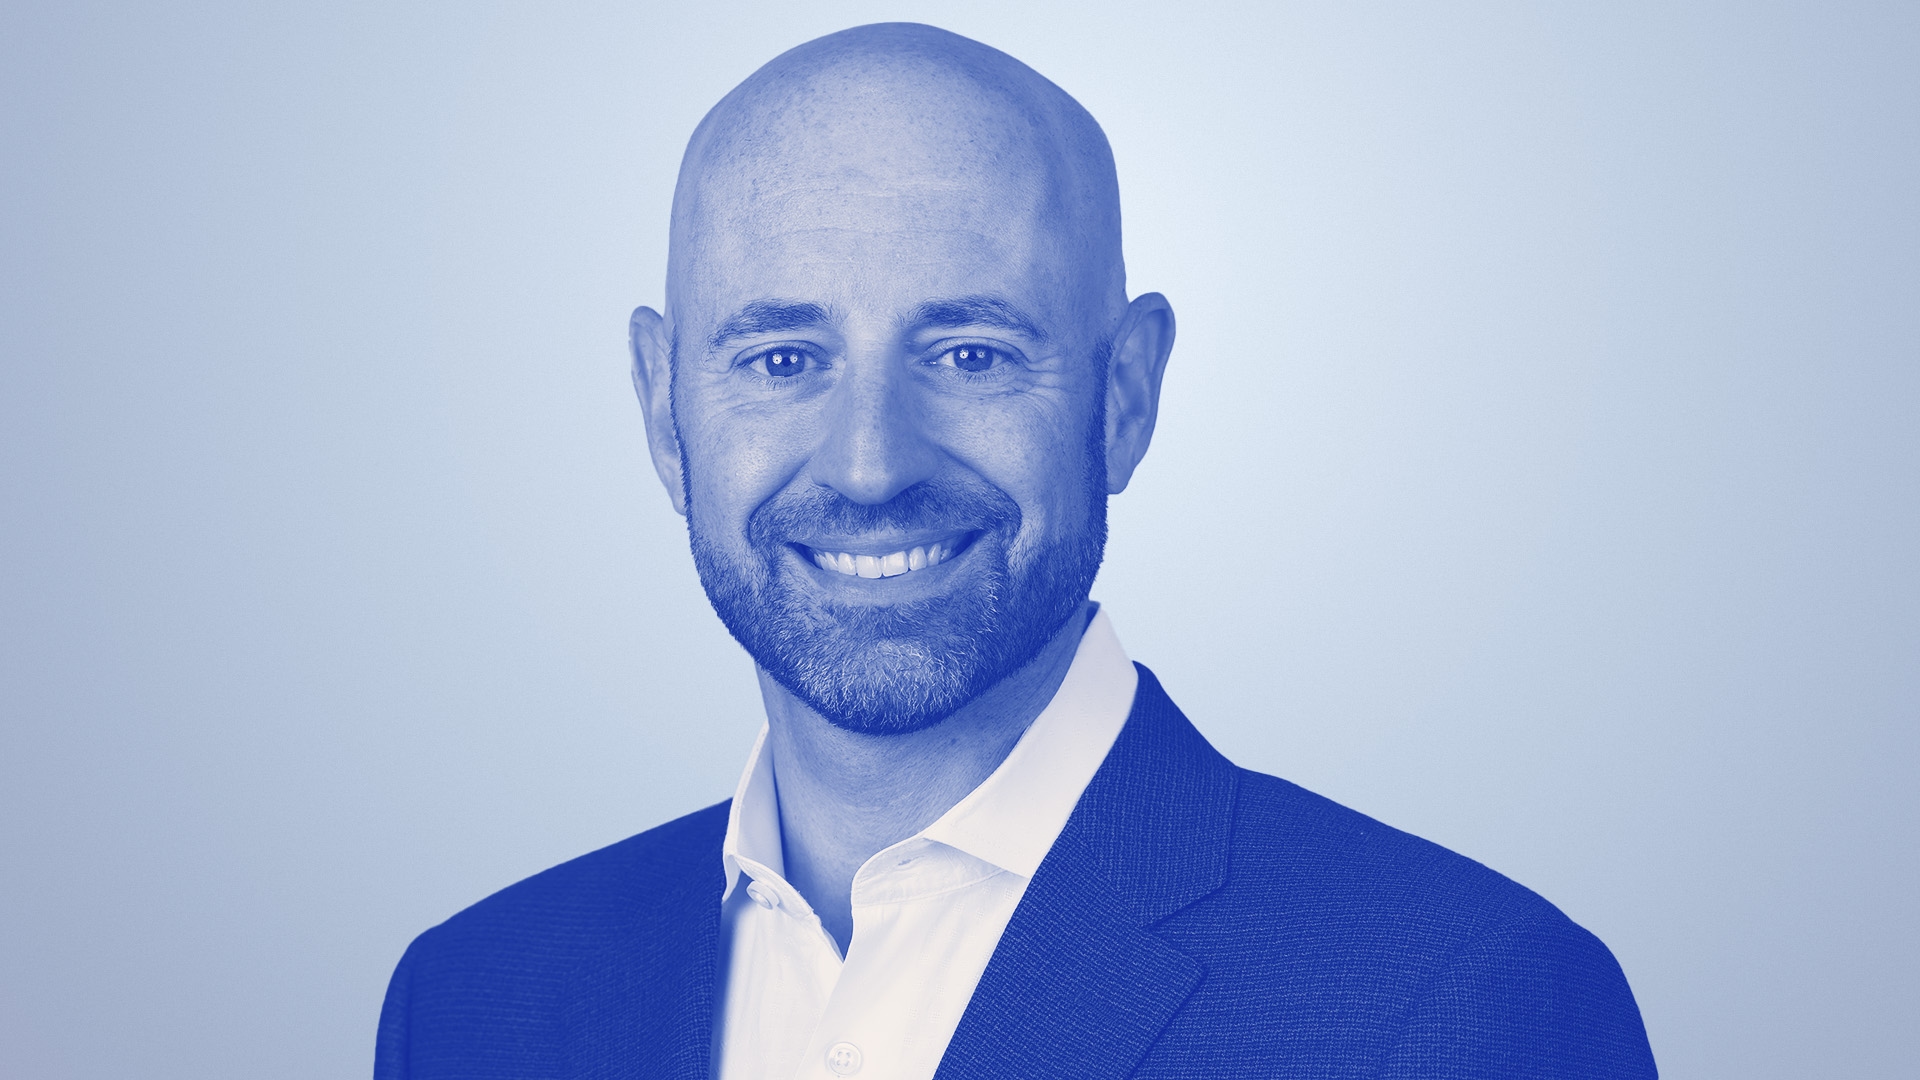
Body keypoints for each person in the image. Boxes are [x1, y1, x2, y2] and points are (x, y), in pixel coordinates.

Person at [375, 22, 1657, 1080]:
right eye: (782, 358)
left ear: (1125, 395)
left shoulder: (1464, 1011)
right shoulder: (472, 1004)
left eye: (970, 354)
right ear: (664, 412)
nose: (869, 464)